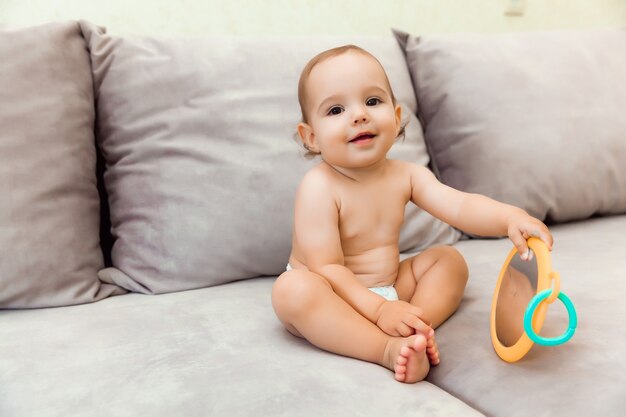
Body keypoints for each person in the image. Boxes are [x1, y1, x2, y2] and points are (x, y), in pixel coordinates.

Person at [271, 45, 553, 383]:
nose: (359, 115)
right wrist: (379, 310)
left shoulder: (406, 175)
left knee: (449, 261)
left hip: (389, 288)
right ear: (311, 136)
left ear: (396, 114)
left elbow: (459, 205)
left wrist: (508, 216)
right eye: (335, 109)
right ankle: (385, 348)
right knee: (292, 290)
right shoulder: (319, 187)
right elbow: (327, 267)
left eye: (373, 102)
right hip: (335, 295)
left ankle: (416, 327)